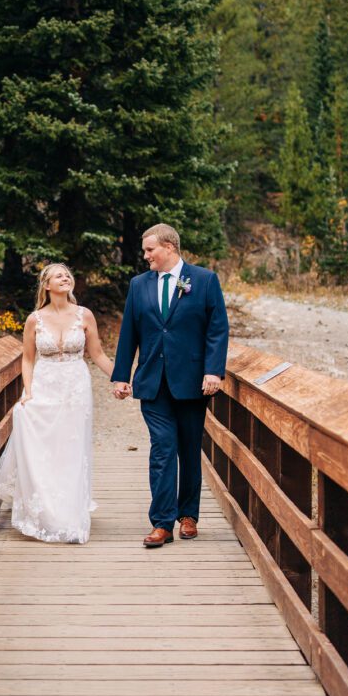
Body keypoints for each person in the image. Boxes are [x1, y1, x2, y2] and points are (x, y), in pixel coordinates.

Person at [111, 223, 229, 548]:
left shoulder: (203, 280)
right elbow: (129, 335)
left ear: (169, 248)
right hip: (152, 381)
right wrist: (122, 375)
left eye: (150, 250)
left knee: (189, 449)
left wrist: (214, 371)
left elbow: (217, 329)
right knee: (163, 448)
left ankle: (188, 515)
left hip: (192, 382)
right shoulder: (139, 285)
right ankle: (162, 522)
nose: (145, 255)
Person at [0, 263, 113, 543]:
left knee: (71, 448)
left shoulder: (84, 315)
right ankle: (45, 512)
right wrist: (28, 393)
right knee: (44, 449)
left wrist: (121, 379)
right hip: (44, 387)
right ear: (46, 285)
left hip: (75, 389)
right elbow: (28, 359)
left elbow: (98, 354)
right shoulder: (35, 319)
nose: (66, 277)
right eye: (59, 275)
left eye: (68, 274)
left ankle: (70, 515)